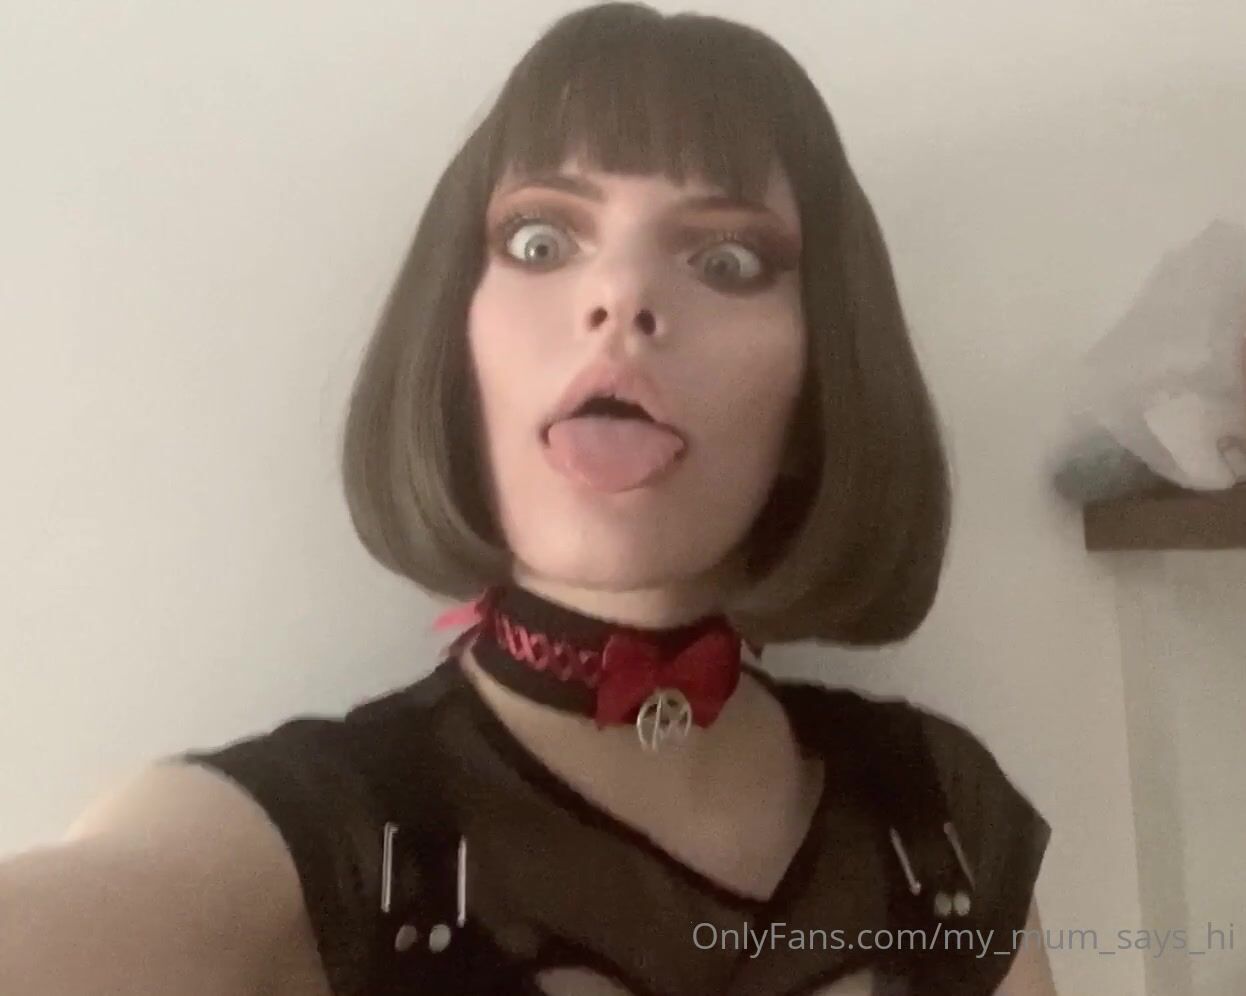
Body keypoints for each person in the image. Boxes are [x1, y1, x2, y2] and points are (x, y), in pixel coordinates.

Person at [0, 3, 1055, 994]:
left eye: (729, 259)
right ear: (455, 352)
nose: (621, 295)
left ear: (821, 391)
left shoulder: (941, 822)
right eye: (540, 242)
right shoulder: (304, 839)